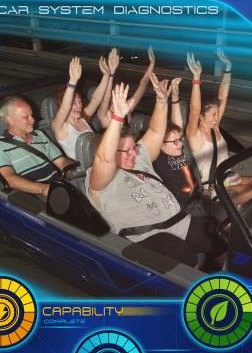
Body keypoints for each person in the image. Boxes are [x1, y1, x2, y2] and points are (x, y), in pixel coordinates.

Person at [85, 78, 224, 268]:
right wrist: (117, 118)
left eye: (134, 148)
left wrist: (161, 101)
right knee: (184, 255)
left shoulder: (139, 159)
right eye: (126, 151)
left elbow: (156, 132)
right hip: (147, 234)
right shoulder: (98, 180)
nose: (133, 153)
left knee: (217, 236)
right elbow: (104, 159)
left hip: (179, 221)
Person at [185, 49, 252, 208]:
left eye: (217, 114)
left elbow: (222, 97)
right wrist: (196, 78)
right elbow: (194, 109)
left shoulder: (215, 127)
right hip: (215, 188)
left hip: (229, 178)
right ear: (201, 116)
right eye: (213, 115)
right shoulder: (194, 136)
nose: (216, 118)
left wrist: (228, 68)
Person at [0, 96, 72, 197]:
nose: (32, 119)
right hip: (35, 197)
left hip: (59, 188)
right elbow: (9, 178)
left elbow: (61, 162)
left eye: (31, 115)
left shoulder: (39, 135)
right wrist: (43, 188)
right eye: (25, 117)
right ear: (10, 120)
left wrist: (76, 169)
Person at [51, 49, 119, 158]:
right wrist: (72, 82)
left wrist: (106, 75)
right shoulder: (59, 127)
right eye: (73, 103)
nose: (79, 106)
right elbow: (64, 109)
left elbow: (96, 99)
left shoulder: (83, 118)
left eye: (79, 101)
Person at [152, 77, 198, 208]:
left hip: (198, 199)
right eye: (175, 141)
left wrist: (175, 96)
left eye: (180, 140)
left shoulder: (175, 149)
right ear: (161, 143)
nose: (180, 144)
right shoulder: (157, 157)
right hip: (183, 208)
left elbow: (178, 127)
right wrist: (161, 101)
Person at [97, 46, 156, 133]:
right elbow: (106, 97)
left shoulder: (123, 111)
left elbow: (141, 88)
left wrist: (152, 64)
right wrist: (111, 74)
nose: (120, 97)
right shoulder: (104, 117)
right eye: (117, 93)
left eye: (120, 94)